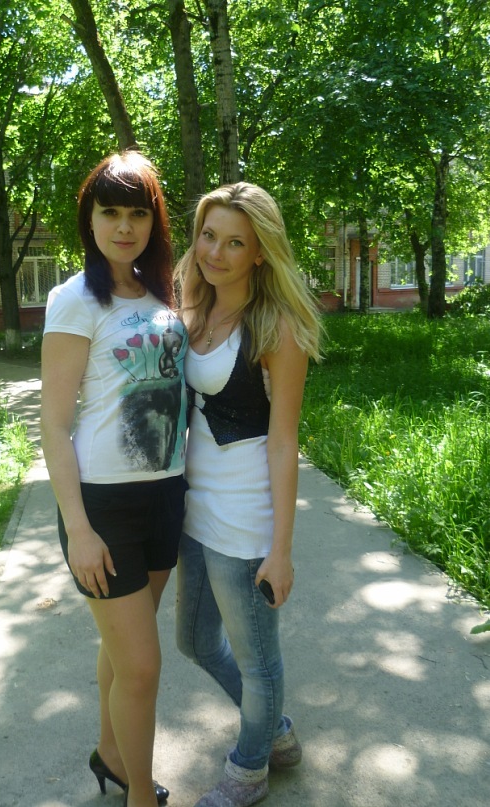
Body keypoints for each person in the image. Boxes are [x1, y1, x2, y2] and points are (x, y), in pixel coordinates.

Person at [40, 151, 188, 807]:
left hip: (166, 497)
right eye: (110, 212)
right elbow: (53, 424)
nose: (124, 227)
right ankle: (139, 797)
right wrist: (78, 529)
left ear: (154, 221)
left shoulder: (165, 295)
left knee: (123, 651)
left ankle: (110, 752)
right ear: (90, 219)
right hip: (104, 508)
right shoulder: (75, 300)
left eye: (137, 213)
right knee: (143, 667)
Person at [174, 182, 321, 807]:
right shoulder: (194, 308)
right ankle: (275, 730)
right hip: (194, 507)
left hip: (245, 514)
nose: (216, 252)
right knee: (193, 642)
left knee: (258, 659)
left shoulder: (275, 327)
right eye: (209, 235)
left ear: (260, 252)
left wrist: (280, 550)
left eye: (235, 243)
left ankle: (250, 769)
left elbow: (284, 441)